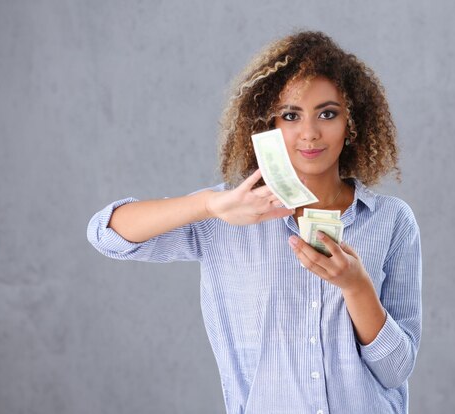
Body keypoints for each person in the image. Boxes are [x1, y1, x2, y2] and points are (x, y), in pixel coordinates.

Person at [87, 31, 422, 414]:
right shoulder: (227, 213)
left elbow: (396, 369)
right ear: (268, 124)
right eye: (291, 115)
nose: (309, 132)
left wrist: (357, 286)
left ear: (353, 123)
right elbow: (105, 234)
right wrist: (211, 206)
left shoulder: (392, 221)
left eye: (327, 113)